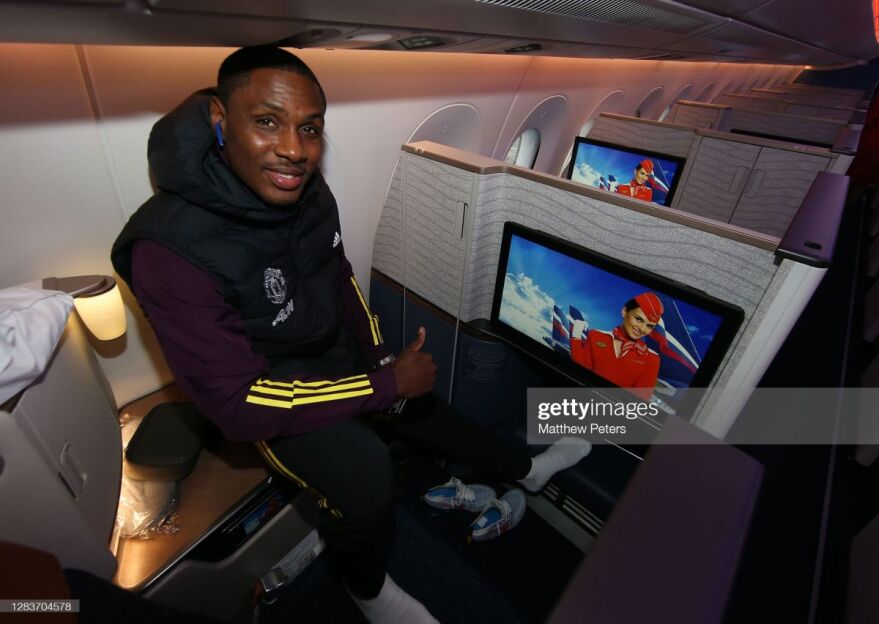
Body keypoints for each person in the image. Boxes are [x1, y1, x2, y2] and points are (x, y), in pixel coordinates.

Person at [111, 46, 590, 624]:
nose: (295, 149)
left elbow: (339, 279)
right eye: (267, 121)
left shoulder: (307, 190)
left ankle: (526, 471)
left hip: (330, 350)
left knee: (424, 405)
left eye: (310, 128)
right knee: (366, 475)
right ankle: (367, 590)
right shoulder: (168, 250)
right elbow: (237, 406)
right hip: (267, 387)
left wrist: (381, 359)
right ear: (220, 121)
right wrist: (383, 386)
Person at [569, 292, 663, 401]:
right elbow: (579, 370)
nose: (642, 329)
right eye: (638, 319)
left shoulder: (652, 359)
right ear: (624, 312)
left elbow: (639, 400)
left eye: (649, 326)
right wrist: (576, 337)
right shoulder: (596, 336)